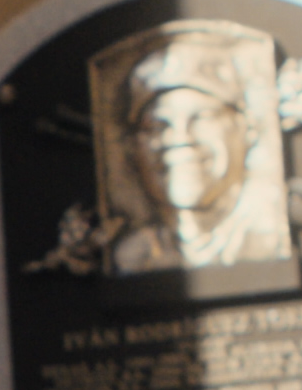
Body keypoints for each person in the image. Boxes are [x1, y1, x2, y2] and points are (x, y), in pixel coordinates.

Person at [109, 29, 292, 272]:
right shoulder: (131, 256)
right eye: (157, 125)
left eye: (202, 118)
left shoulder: (267, 236)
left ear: (246, 130)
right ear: (133, 147)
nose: (181, 138)